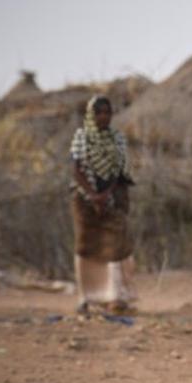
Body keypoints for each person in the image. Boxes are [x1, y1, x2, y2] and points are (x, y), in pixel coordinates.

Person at [70, 96, 136, 314]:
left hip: (114, 197)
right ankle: (88, 297)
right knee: (87, 246)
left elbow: (120, 171)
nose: (104, 117)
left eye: (107, 112)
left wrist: (106, 195)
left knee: (116, 246)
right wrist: (92, 195)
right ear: (91, 115)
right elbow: (77, 169)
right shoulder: (81, 137)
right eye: (99, 112)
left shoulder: (117, 139)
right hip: (84, 198)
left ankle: (116, 297)